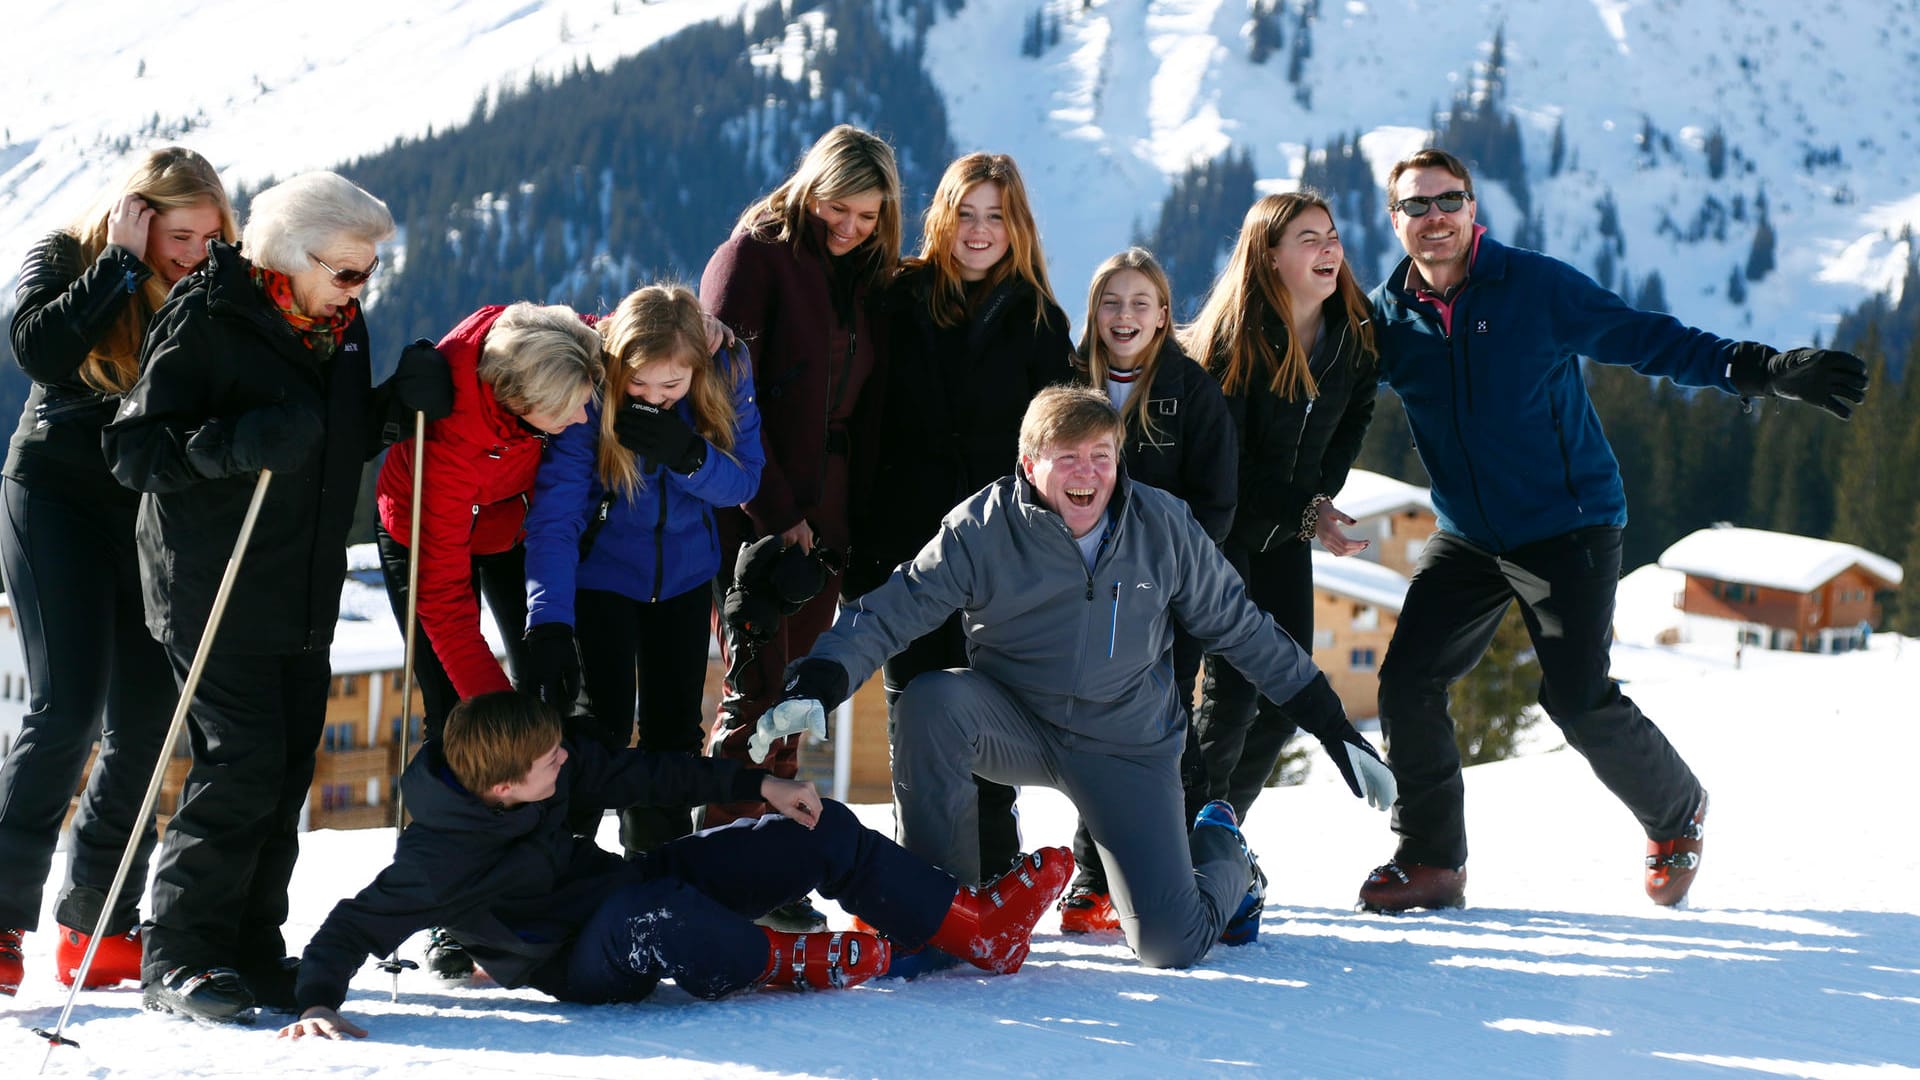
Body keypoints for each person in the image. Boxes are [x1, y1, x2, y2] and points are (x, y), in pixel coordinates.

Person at [1358, 148, 1866, 912]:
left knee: (1574, 696)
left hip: (1569, 523)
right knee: (1406, 680)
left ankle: (1676, 813)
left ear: (1473, 208)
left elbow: (1645, 337)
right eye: (1416, 207)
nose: (1434, 218)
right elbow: (1318, 388)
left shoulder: (1533, 285)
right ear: (1395, 221)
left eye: (1447, 201)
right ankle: (1431, 860)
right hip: (1469, 534)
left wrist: (1761, 368)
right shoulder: (1386, 315)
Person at [760, 386, 1395, 969]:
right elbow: (892, 610)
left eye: (1101, 455)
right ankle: (938, 917)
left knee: (1170, 944)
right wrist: (820, 677)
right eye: (1067, 457)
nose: (1087, 472)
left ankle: (1228, 857)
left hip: (1128, 743)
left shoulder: (1163, 527)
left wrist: (1334, 727)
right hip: (1016, 721)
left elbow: (1244, 629)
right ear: (1030, 464)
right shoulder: (982, 530)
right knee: (931, 701)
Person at [102, 171, 454, 1022]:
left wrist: (387, 409)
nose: (360, 287)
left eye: (369, 272)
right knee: (241, 764)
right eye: (347, 271)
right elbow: (134, 449)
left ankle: (252, 949)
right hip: (211, 583)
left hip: (300, 583)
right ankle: (179, 956)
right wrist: (233, 444)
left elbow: (316, 445)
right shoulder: (209, 315)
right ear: (292, 257)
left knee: (289, 765)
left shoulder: (336, 323)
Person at [274, 691, 1071, 1039]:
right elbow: (351, 924)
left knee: (818, 828)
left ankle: (974, 928)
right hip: (582, 959)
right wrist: (314, 1001)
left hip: (627, 881)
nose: (566, 763)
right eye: (551, 763)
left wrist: (757, 785)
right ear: (504, 789)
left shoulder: (538, 769)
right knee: (648, 918)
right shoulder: (436, 859)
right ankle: (787, 961)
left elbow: (646, 774)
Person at [0, 148, 235, 998]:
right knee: (66, 712)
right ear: (137, 217)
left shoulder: (216, 285)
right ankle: (0, 917)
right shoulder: (67, 255)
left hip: (145, 513)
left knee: (144, 724)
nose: (196, 253)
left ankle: (94, 925)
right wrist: (119, 268)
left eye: (212, 236)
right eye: (180, 235)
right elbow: (39, 348)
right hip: (54, 498)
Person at [698, 124, 901, 932]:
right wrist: (778, 517)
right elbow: (718, 405)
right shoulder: (753, 258)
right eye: (837, 208)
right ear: (809, 186)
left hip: (832, 506)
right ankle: (723, 863)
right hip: (758, 504)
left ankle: (769, 862)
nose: (850, 226)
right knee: (754, 690)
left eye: (868, 215)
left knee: (794, 696)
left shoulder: (862, 276)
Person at [857, 151, 1074, 884]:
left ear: (1017, 229)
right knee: (914, 706)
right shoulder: (896, 298)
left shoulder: (1042, 321)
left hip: (1000, 555)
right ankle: (923, 876)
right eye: (966, 214)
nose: (979, 232)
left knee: (986, 703)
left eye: (996, 217)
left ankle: (992, 864)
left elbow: (1060, 445)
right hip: (904, 543)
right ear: (941, 219)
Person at [521, 284, 763, 858]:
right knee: (593, 729)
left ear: (697, 370)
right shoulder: (593, 390)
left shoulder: (727, 371)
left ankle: (659, 869)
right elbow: (555, 515)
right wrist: (548, 619)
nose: (653, 396)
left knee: (674, 733)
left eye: (671, 385)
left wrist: (691, 457)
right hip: (602, 578)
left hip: (683, 579)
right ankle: (561, 867)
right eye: (639, 383)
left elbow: (746, 480)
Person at [1182, 192, 1379, 821]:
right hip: (1224, 532)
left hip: (1287, 533)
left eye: (1332, 235)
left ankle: (1217, 831)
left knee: (1286, 689)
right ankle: (1179, 836)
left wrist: (1318, 498)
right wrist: (1309, 511)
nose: (1329, 249)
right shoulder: (1235, 341)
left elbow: (1357, 414)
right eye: (1308, 239)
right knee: (1235, 685)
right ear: (1270, 258)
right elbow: (1232, 469)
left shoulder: (1352, 332)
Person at [1057, 247, 1236, 933]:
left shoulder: (1191, 390)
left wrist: (1169, 574)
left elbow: (1216, 504)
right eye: (1111, 302)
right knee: (1089, 725)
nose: (1124, 315)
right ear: (1094, 312)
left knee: (1164, 727)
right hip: (1082, 592)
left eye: (1140, 303)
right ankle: (1093, 879)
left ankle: (1198, 865)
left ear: (1164, 316)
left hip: (1165, 596)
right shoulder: (1068, 387)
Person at [374, 302, 602, 743]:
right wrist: (507, 727)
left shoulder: (552, 344)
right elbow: (443, 601)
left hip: (511, 525)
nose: (579, 419)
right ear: (518, 402)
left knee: (547, 684)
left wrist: (695, 324)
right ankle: (460, 803)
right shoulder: (451, 442)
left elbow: (618, 331)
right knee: (459, 713)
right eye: (563, 413)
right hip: (422, 532)